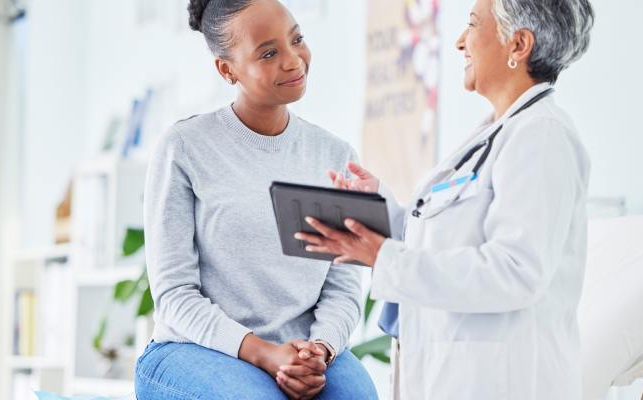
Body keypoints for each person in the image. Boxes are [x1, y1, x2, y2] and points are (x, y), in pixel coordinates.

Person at [296, 0, 594, 398]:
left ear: (518, 45)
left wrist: (383, 256)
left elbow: (516, 271)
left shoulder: (542, 136)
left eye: (472, 25)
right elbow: (449, 238)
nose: (460, 42)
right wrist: (380, 207)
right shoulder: (497, 134)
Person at [134, 1, 377, 399]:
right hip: (194, 349)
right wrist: (264, 354)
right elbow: (175, 295)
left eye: (296, 39)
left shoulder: (337, 155)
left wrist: (320, 349)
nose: (293, 59)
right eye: (268, 53)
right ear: (226, 69)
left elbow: (343, 288)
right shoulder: (183, 147)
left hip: (304, 348)